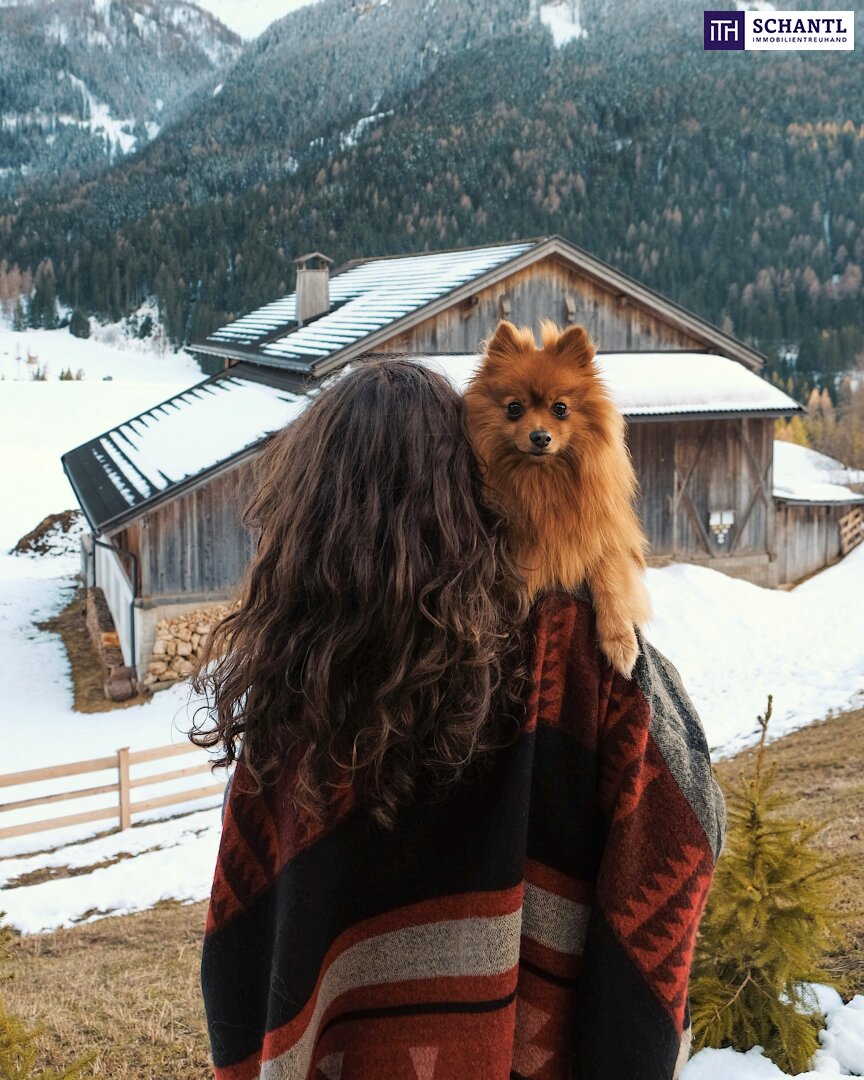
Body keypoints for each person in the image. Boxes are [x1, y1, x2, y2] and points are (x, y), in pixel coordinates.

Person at [191, 357, 726, 1080]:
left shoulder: (293, 697)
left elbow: (237, 952)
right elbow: (688, 815)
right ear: (469, 485)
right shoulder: (565, 650)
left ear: (302, 512)